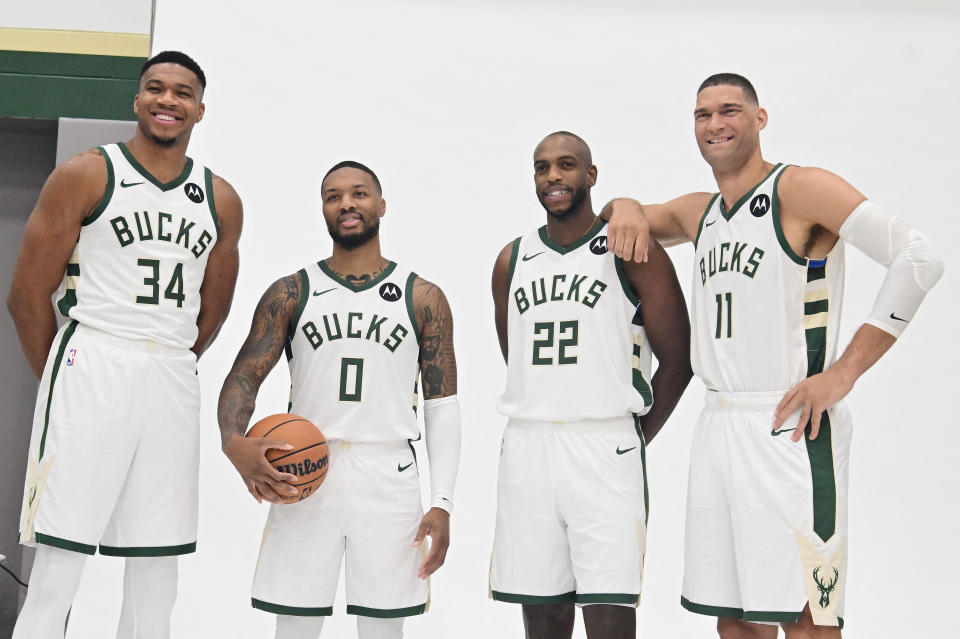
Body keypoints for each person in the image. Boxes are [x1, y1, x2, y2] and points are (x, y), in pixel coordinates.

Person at [603, 73, 944, 638]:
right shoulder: (701, 212)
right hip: (718, 425)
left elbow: (918, 258)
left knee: (808, 615)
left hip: (790, 426)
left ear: (760, 119)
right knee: (734, 618)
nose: (715, 124)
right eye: (702, 114)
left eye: (730, 110)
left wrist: (843, 374)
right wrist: (625, 205)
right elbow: (632, 214)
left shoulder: (800, 188)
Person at [7, 51, 243, 638]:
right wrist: (62, 379)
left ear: (200, 109)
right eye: (156, 89)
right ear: (136, 100)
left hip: (167, 374)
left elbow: (210, 311)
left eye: (182, 92)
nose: (168, 100)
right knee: (61, 564)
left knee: (156, 569)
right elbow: (26, 295)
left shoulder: (222, 199)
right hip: (94, 356)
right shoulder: (87, 174)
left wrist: (168, 359)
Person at [218, 160, 461, 639]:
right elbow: (244, 376)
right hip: (305, 469)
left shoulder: (423, 297)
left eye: (359, 193)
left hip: (388, 474)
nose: (347, 203)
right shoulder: (291, 292)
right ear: (323, 210)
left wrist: (443, 502)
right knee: (294, 625)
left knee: (383, 629)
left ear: (381, 205)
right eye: (333, 196)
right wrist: (232, 441)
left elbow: (442, 406)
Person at [488, 131, 692, 639]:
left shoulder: (629, 249)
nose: (553, 176)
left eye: (566, 165)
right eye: (542, 167)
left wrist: (638, 434)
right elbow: (515, 354)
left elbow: (680, 359)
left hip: (605, 445)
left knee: (609, 613)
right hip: (530, 445)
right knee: (542, 614)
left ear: (591, 176)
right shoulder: (511, 260)